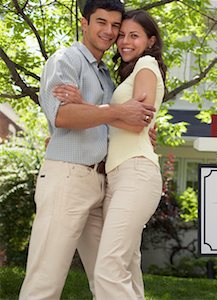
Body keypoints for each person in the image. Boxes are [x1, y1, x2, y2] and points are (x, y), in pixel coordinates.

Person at [19, 1, 156, 299]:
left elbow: (107, 122)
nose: (109, 31)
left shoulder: (106, 75)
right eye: (101, 22)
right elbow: (63, 116)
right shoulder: (66, 60)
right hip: (68, 178)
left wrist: (134, 126)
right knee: (45, 279)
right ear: (84, 23)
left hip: (102, 184)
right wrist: (116, 111)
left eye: (115, 26)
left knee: (111, 275)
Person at [53, 9, 166, 299]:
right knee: (126, 266)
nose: (124, 41)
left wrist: (86, 107)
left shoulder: (147, 64)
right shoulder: (127, 75)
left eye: (134, 36)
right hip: (118, 176)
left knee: (108, 268)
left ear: (151, 40)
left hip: (136, 173)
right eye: (122, 35)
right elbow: (124, 121)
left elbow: (138, 118)